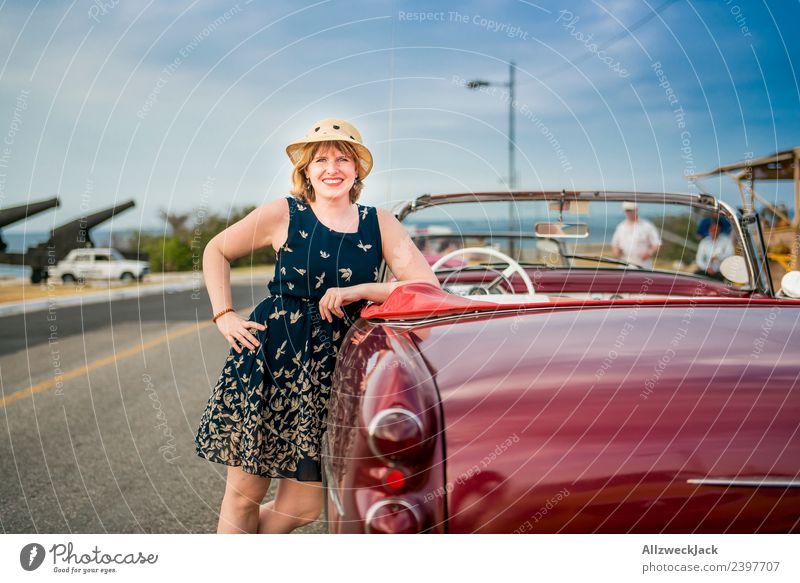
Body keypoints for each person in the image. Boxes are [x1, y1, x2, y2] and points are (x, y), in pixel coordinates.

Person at [194, 118, 439, 534]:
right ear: (305, 170)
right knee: (244, 494)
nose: (332, 168)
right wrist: (225, 314)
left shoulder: (377, 221)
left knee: (302, 507)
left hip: (337, 369)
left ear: (357, 170)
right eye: (321, 159)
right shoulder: (283, 213)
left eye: (343, 158)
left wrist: (357, 289)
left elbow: (425, 286)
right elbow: (217, 249)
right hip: (271, 362)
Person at [611, 201, 661, 268]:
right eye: (627, 211)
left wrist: (649, 253)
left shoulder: (647, 226)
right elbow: (615, 244)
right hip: (625, 264)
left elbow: (657, 244)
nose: (629, 213)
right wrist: (616, 251)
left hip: (643, 265)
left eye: (631, 210)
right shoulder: (620, 227)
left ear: (636, 210)